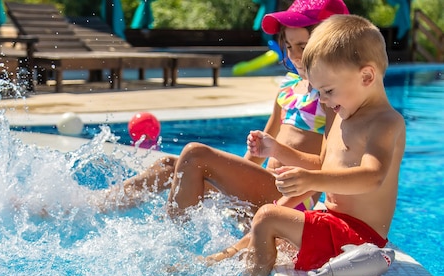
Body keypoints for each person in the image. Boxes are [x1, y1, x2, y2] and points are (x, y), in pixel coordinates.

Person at [102, 0, 349, 216]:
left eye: (303, 47)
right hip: (263, 187)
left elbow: (327, 169)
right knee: (169, 165)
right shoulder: (289, 86)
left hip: (291, 197)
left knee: (195, 154)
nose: (295, 56)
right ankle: (97, 206)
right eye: (289, 46)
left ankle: (174, 243)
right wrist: (231, 176)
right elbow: (258, 151)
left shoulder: (329, 98)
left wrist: (275, 150)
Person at [210, 14, 406, 276]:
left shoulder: (385, 122)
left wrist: (311, 179)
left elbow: (373, 177)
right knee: (270, 217)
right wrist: (276, 150)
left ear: (367, 76)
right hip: (333, 221)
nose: (323, 101)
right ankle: (222, 256)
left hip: (359, 237)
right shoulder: (342, 115)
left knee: (268, 217)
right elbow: (323, 166)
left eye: (328, 91)